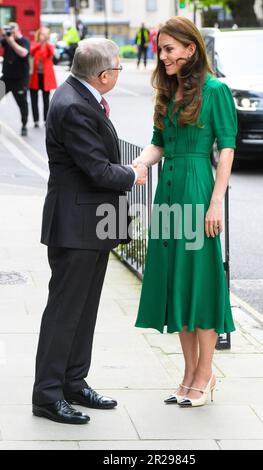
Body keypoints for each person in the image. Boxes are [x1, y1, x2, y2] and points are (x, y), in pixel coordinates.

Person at [32, 38, 148, 425]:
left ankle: (73, 381)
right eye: (117, 68)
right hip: (77, 225)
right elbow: (97, 170)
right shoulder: (73, 106)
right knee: (66, 312)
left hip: (89, 224)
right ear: (102, 74)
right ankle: (47, 395)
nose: (118, 74)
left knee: (83, 310)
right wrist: (132, 174)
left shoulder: (77, 95)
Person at [134, 17, 237, 408]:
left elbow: (226, 148)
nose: (162, 57)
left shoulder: (215, 91)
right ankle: (188, 373)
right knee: (179, 282)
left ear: (191, 49)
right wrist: (141, 165)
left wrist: (216, 202)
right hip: (169, 192)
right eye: (161, 49)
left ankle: (205, 373)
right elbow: (158, 143)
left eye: (169, 49)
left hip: (197, 190)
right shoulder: (169, 91)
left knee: (201, 283)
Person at [0, 22, 30, 136]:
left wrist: (11, 40)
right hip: (6, 77)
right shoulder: (6, 40)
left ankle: (24, 125)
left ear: (17, 30)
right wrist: (3, 35)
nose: (10, 31)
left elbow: (23, 53)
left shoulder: (24, 41)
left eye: (12, 29)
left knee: (22, 104)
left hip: (20, 79)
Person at [29, 27, 57, 127]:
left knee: (46, 99)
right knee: (34, 99)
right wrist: (40, 44)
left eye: (46, 34)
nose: (44, 36)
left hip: (45, 77)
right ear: (38, 34)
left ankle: (46, 120)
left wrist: (46, 44)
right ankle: (35, 120)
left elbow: (51, 54)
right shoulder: (34, 43)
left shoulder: (49, 46)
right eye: (42, 34)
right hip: (35, 77)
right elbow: (31, 52)